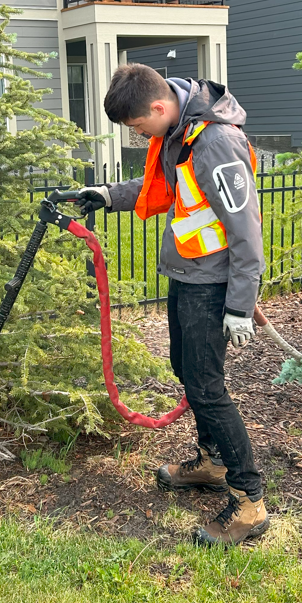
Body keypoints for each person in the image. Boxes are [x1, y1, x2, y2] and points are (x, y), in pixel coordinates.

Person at [76, 63, 268, 547]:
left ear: (159, 108)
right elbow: (164, 191)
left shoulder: (215, 142)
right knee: (185, 370)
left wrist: (240, 306)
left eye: (139, 128)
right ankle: (212, 462)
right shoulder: (178, 132)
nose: (139, 137)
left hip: (213, 283)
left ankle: (249, 503)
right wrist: (106, 194)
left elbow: (247, 230)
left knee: (207, 388)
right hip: (188, 272)